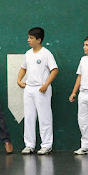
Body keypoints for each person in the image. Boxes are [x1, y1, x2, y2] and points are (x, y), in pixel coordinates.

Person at [17, 27, 58, 155]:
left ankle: (46, 145)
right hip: (29, 89)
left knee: (44, 117)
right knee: (29, 117)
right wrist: (19, 80)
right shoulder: (28, 53)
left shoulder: (46, 54)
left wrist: (46, 84)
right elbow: (23, 68)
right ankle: (29, 145)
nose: (28, 40)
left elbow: (54, 70)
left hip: (42, 90)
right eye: (28, 37)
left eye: (31, 38)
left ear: (39, 40)